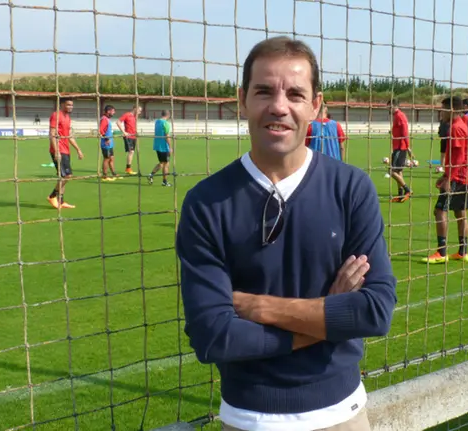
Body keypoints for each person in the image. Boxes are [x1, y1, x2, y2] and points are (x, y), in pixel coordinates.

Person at [176, 36, 397, 431]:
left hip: (343, 417)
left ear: (315, 105)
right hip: (247, 420)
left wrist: (261, 308)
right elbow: (213, 336)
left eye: (295, 93)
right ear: (242, 100)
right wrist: (328, 315)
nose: (279, 106)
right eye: (264, 91)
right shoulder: (205, 202)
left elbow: (375, 311)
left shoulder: (351, 189)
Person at [422, 95, 468, 264]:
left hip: (457, 178)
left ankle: (441, 252)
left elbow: (458, 158)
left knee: (440, 211)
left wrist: (447, 179)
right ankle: (462, 252)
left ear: (452, 110)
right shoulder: (460, 126)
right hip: (464, 176)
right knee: (460, 213)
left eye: (443, 109)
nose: (441, 112)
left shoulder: (455, 128)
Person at [47, 97, 84, 209]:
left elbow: (69, 136)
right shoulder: (56, 115)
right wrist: (57, 151)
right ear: (62, 104)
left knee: (63, 176)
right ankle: (52, 196)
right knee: (67, 176)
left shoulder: (67, 117)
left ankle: (61, 201)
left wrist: (78, 149)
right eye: (68, 105)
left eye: (71, 105)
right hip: (58, 150)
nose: (70, 107)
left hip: (66, 150)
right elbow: (52, 133)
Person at [387, 99, 415, 203]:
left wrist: (408, 147)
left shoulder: (400, 116)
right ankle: (400, 195)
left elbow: (405, 133)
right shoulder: (396, 116)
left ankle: (408, 190)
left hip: (400, 147)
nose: (388, 109)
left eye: (389, 107)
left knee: (391, 171)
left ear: (395, 106)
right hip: (397, 146)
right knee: (399, 171)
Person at [148, 110, 172, 187]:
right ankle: (164, 182)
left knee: (162, 163)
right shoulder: (166, 123)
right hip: (164, 147)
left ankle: (151, 175)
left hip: (157, 145)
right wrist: (170, 147)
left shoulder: (157, 122)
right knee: (166, 164)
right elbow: (167, 136)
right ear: (168, 115)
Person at [116, 105, 142, 175]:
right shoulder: (127, 115)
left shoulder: (135, 117)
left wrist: (136, 132)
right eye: (139, 110)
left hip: (134, 136)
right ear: (135, 109)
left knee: (132, 152)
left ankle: (128, 168)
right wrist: (124, 132)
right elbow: (118, 122)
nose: (140, 112)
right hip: (128, 137)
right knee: (131, 152)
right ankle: (128, 168)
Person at [99, 104, 118, 181]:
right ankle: (105, 176)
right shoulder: (104, 119)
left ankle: (114, 173)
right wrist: (106, 139)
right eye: (113, 111)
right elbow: (100, 130)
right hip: (106, 144)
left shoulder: (107, 119)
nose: (114, 113)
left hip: (110, 144)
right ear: (108, 111)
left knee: (112, 158)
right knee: (106, 159)